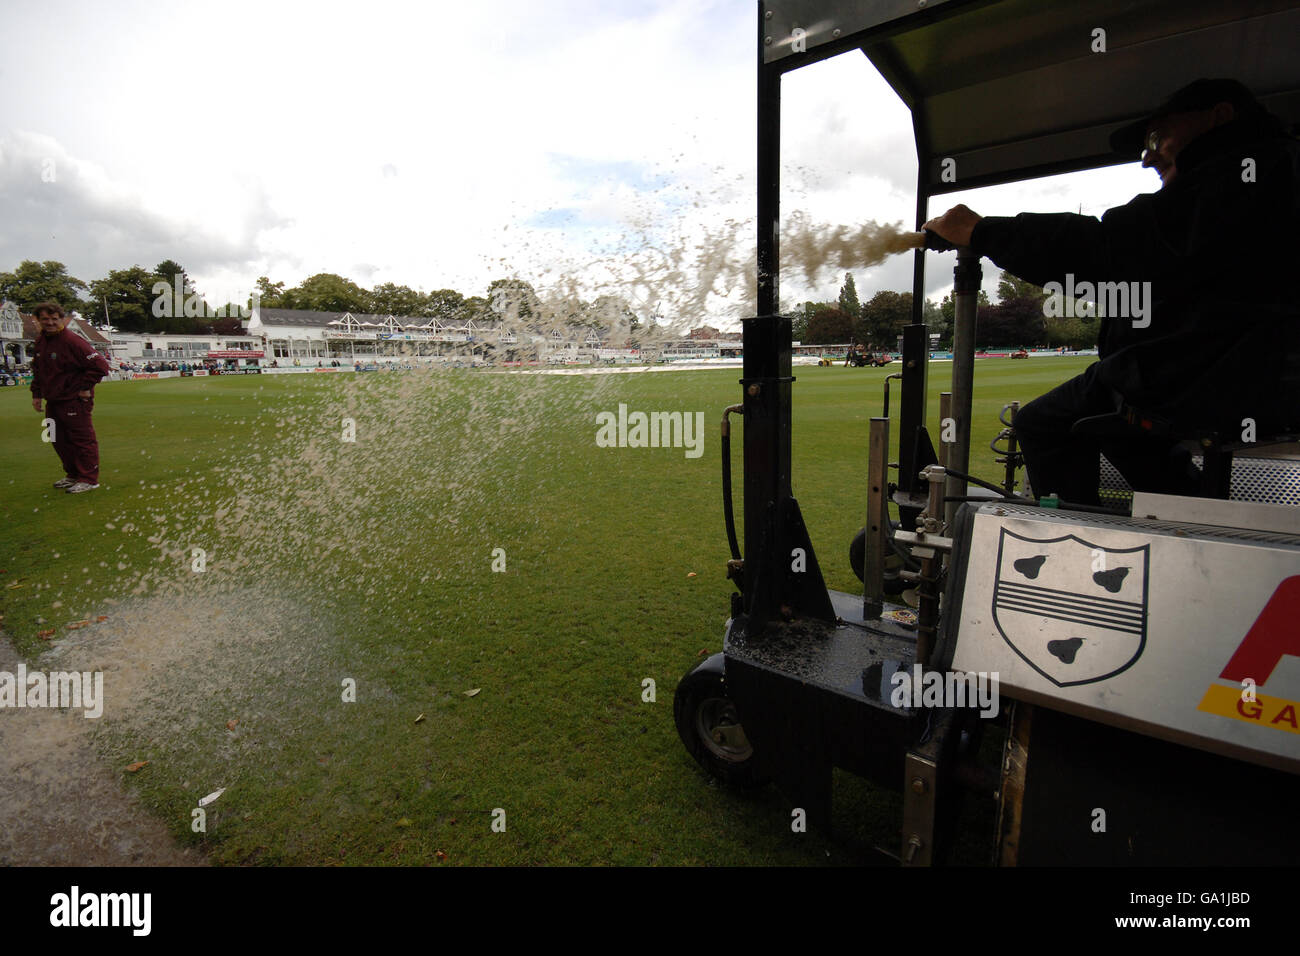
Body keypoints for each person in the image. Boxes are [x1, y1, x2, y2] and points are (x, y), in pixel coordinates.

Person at [924, 78, 1300, 504]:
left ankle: (1075, 552)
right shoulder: (1269, 171)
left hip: (1214, 375)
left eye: (1157, 137)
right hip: (1237, 375)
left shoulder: (1242, 176)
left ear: (1220, 117)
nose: (1146, 157)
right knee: (1121, 422)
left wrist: (983, 232)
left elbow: (1111, 252)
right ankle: (1191, 517)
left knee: (1043, 423)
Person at [29, 303, 112, 494]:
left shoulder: (72, 340)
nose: (50, 323)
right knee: (56, 438)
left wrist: (84, 388)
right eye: (45, 319)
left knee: (82, 439)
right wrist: (36, 395)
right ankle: (73, 474)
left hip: (73, 400)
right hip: (53, 400)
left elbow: (100, 366)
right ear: (38, 320)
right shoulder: (41, 341)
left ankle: (89, 479)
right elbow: (39, 370)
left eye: (54, 319)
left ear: (61, 319)